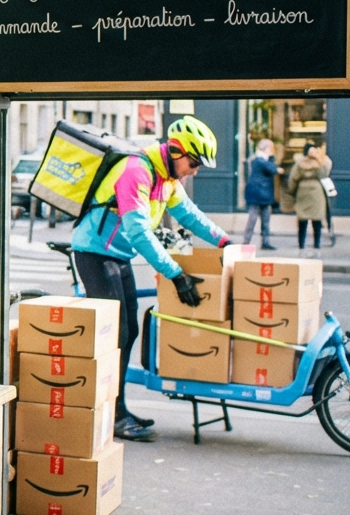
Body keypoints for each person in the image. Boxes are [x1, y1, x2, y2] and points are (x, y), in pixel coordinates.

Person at [70, 116, 231, 442]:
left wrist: (225, 241)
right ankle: (105, 413)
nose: (195, 170)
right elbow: (138, 231)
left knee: (129, 331)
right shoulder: (137, 171)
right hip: (94, 253)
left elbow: (189, 215)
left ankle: (118, 409)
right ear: (174, 150)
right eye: (194, 162)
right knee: (117, 332)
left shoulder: (167, 178)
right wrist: (175, 273)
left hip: (118, 255)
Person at [287, 144, 331, 258]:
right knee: (317, 222)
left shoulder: (299, 164)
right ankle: (317, 246)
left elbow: (293, 179)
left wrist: (292, 192)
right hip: (317, 193)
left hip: (303, 192)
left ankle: (301, 246)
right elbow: (324, 175)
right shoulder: (319, 164)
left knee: (302, 222)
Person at [242, 138, 280, 250]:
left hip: (260, 193)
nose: (272, 151)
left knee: (262, 219)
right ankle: (250, 241)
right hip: (261, 193)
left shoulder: (255, 159)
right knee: (256, 219)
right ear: (266, 148)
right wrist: (272, 158)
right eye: (271, 148)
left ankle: (255, 241)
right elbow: (273, 169)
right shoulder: (261, 160)